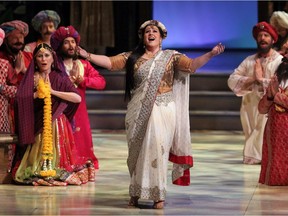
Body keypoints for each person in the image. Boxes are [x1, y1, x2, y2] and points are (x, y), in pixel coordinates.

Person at [77, 19, 225, 209]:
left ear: (161, 37)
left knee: (158, 150)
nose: (151, 33)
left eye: (154, 31)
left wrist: (211, 54)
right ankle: (136, 192)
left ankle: (158, 195)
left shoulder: (171, 57)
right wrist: (86, 55)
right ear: (143, 36)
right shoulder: (133, 57)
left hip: (163, 110)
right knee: (137, 152)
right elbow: (109, 62)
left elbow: (192, 65)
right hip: (137, 111)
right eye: (147, 31)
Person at [12, 43, 90, 186]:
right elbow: (20, 100)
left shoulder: (59, 77)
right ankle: (42, 169)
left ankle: (56, 168)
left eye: (47, 55)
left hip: (58, 124)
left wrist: (53, 92)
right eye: (40, 56)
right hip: (39, 125)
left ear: (53, 59)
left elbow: (77, 98)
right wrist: (36, 94)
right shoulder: (31, 78)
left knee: (59, 157)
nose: (43, 59)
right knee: (36, 165)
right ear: (35, 60)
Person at [50, 25, 106, 181]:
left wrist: (83, 80)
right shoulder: (53, 66)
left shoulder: (83, 65)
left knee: (82, 142)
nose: (71, 45)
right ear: (59, 45)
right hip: (59, 111)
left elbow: (101, 82)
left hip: (80, 112)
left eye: (73, 42)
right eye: (66, 42)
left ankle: (82, 166)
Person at [227, 21, 283, 165]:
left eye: (266, 35)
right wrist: (253, 79)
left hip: (270, 106)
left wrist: (261, 79)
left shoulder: (279, 61)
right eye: (260, 36)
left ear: (272, 39)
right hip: (250, 106)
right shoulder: (250, 61)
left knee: (264, 131)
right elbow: (232, 80)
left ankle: (265, 159)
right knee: (251, 131)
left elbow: (281, 85)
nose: (262, 38)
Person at [258, 53, 288, 185]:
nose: (284, 57)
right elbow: (262, 109)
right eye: (284, 54)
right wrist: (270, 96)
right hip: (274, 130)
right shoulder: (276, 80)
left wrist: (275, 95)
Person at [0, 28, 17, 173]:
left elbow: (16, 90)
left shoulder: (4, 65)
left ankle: (4, 173)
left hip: (1, 115)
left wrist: (2, 88)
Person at [0, 20, 32, 85]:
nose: (19, 40)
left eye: (21, 37)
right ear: (5, 40)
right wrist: (17, 70)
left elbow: (40, 80)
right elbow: (2, 86)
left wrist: (25, 70)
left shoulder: (30, 56)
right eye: (14, 37)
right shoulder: (1, 58)